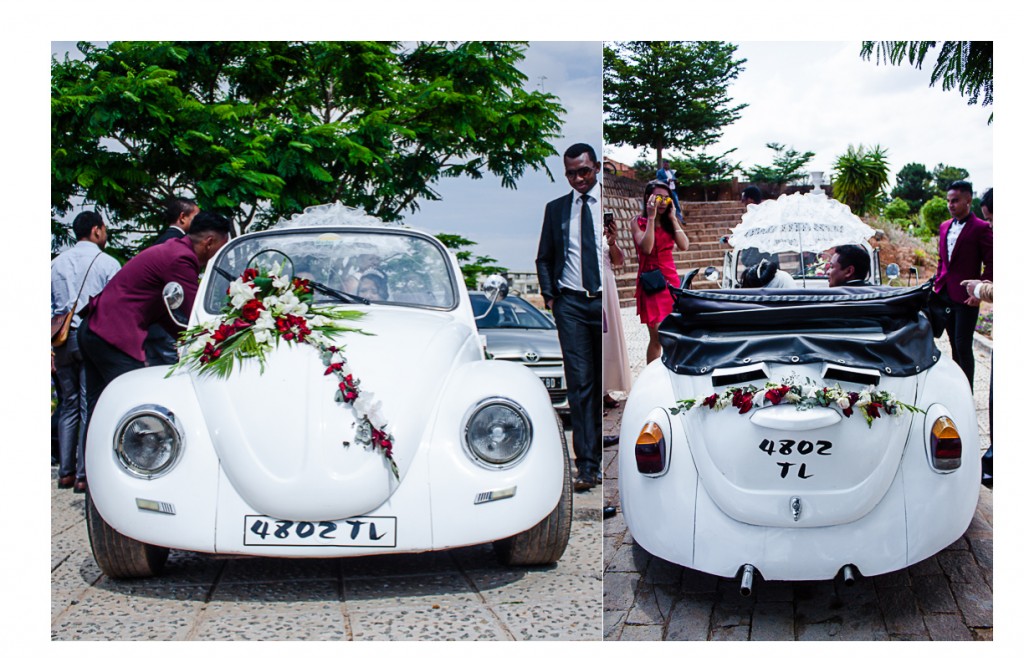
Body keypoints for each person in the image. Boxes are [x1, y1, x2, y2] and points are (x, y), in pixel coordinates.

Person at [77, 211, 231, 491]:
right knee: (131, 405)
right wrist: (221, 339)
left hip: (94, 329)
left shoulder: (172, 251)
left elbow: (168, 313)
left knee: (99, 408)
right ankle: (121, 479)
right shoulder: (181, 259)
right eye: (222, 246)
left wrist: (188, 341)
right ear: (210, 242)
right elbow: (193, 311)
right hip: (112, 334)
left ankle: (89, 476)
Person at [536, 142, 603, 492]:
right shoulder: (556, 209)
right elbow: (543, 257)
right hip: (572, 305)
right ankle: (587, 466)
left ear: (597, 167)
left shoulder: (607, 207)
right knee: (580, 385)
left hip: (604, 303)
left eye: (584, 171)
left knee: (605, 381)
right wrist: (552, 298)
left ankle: (601, 447)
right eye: (571, 173)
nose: (577, 178)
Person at [50, 211, 121, 492]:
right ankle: (83, 474)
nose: (105, 233)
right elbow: (114, 307)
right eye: (104, 228)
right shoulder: (108, 263)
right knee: (87, 404)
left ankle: (65, 472)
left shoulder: (55, 264)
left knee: (67, 405)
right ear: (95, 230)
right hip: (90, 337)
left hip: (61, 340)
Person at [934, 180, 993, 390]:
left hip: (967, 296)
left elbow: (992, 261)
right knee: (952, 344)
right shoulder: (944, 226)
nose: (951, 205)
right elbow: (942, 260)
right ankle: (956, 388)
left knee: (963, 345)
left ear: (968, 200)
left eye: (956, 200)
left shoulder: (981, 227)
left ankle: (966, 391)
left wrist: (981, 291)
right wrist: (936, 281)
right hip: (945, 293)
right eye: (949, 201)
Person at [632, 179, 689, 364]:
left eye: (666, 198)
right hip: (651, 282)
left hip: (670, 280)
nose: (662, 202)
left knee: (673, 333)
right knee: (657, 336)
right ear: (648, 198)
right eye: (658, 197)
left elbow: (684, 246)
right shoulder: (638, 222)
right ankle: (652, 378)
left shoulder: (669, 223)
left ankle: (673, 370)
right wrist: (651, 217)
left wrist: (673, 218)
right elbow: (646, 248)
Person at [146, 198, 201, 366]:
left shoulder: (161, 240)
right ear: (183, 217)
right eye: (196, 217)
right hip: (168, 327)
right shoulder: (176, 245)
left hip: (153, 326)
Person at [602, 215, 631, 412]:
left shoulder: (604, 232)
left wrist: (612, 242)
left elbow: (618, 261)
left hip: (607, 284)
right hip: (592, 286)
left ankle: (605, 390)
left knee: (608, 338)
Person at [655, 159, 684, 224]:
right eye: (665, 164)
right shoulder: (660, 172)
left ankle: (680, 219)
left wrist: (676, 181)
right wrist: (667, 180)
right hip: (666, 190)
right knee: (665, 204)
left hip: (673, 190)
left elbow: (674, 178)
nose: (667, 165)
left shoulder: (671, 172)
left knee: (676, 205)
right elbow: (659, 181)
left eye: (668, 164)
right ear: (663, 165)